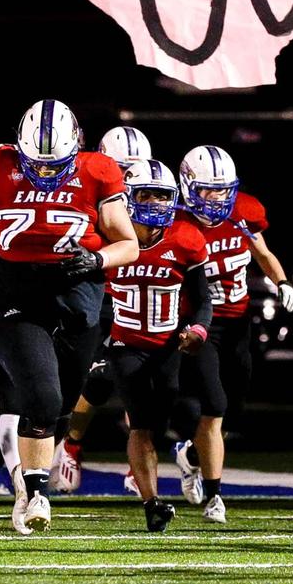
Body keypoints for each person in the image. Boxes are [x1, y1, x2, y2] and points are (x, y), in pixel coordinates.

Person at [0, 99, 138, 533]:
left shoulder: (98, 171)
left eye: (55, 164)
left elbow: (129, 243)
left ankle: (30, 479)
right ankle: (34, 492)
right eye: (38, 163)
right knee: (42, 398)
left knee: (62, 406)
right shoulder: (0, 165)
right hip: (19, 292)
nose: (46, 173)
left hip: (78, 294)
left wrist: (96, 261)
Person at [170, 144, 293, 515]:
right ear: (188, 186)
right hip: (201, 323)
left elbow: (262, 253)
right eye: (208, 189)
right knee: (214, 404)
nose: (217, 198)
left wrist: (282, 282)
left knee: (233, 406)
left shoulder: (243, 212)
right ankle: (214, 494)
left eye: (223, 189)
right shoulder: (178, 225)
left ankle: (192, 453)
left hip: (238, 321)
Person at [106, 159, 211, 531]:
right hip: (124, 345)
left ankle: (178, 459)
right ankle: (152, 504)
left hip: (168, 347)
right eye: (145, 194)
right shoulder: (109, 237)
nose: (154, 202)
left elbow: (202, 299)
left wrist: (198, 330)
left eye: (162, 195)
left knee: (178, 414)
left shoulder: (185, 238)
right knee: (142, 425)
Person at [51, 125, 153, 493]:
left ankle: (137, 460)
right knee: (91, 378)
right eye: (121, 166)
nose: (127, 176)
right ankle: (71, 443)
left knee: (136, 379)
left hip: (138, 289)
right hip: (95, 289)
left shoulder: (151, 188)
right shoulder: (87, 184)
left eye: (134, 167)